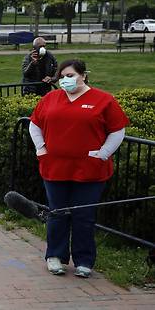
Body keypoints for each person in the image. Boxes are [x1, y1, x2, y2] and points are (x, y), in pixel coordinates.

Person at [29, 59, 128, 278]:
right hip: (55, 167)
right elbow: (34, 124)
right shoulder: (50, 98)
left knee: (84, 215)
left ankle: (84, 260)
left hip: (90, 170)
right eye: (62, 76)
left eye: (71, 75)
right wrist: (41, 148)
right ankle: (55, 256)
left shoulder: (104, 100)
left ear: (83, 75)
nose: (66, 80)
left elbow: (117, 130)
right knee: (58, 213)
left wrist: (103, 154)